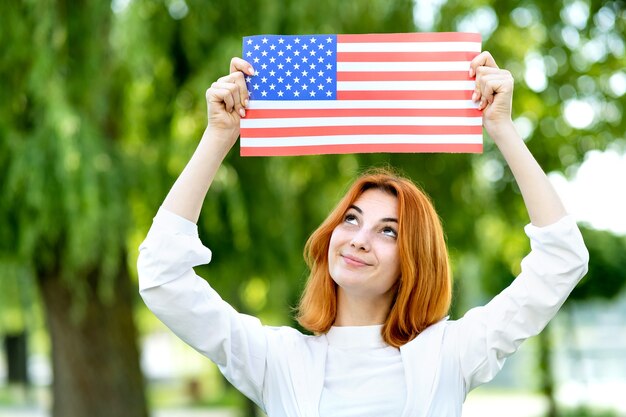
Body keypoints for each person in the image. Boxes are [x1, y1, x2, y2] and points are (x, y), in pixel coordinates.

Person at [137, 52, 589, 417]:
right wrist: (218, 137)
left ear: (415, 260)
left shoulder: (450, 353)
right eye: (350, 219)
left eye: (387, 231)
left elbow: (562, 261)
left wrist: (502, 129)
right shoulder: (277, 359)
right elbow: (163, 277)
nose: (357, 238)